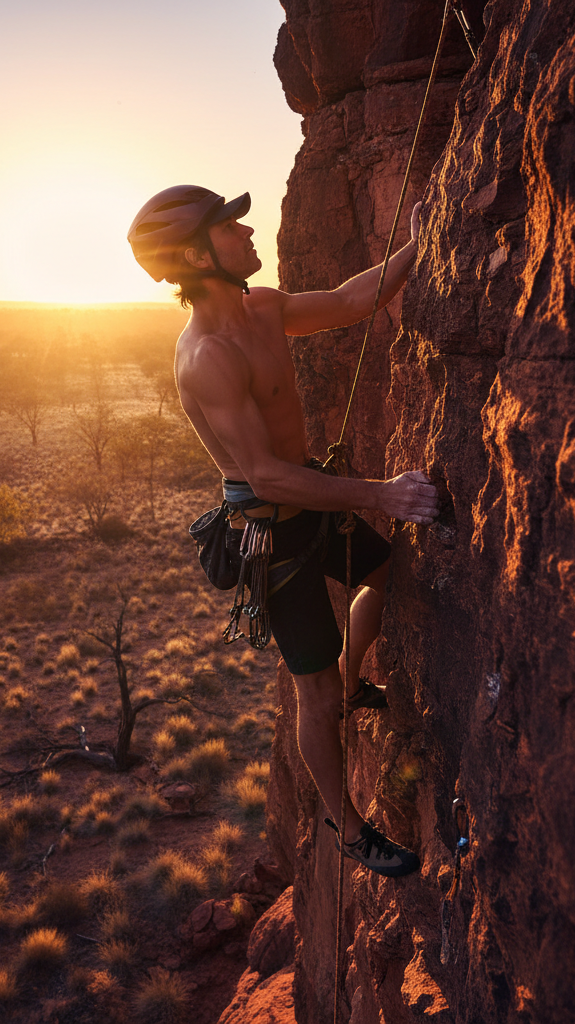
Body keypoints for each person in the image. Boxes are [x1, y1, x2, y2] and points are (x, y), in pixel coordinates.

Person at [127, 186, 440, 877]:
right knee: (315, 695)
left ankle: (355, 679)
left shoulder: (263, 308)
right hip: (273, 536)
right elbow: (266, 477)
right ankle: (349, 829)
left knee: (386, 575)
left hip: (311, 499)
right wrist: (381, 495)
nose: (248, 234)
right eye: (229, 229)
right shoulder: (206, 356)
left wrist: (418, 243)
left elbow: (351, 301)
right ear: (195, 257)